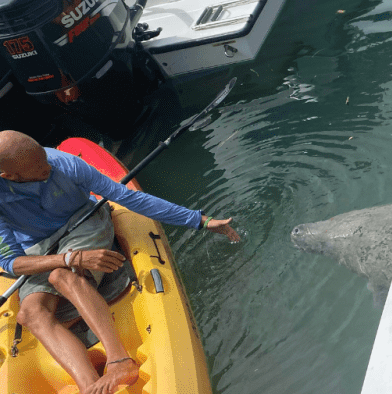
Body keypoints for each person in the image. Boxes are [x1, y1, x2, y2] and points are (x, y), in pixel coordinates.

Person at [0, 130, 240, 394]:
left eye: (44, 158)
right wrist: (69, 257)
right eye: (38, 167)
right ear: (9, 176)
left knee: (62, 276)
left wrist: (200, 220)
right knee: (30, 313)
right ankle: (89, 386)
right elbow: (11, 262)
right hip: (38, 246)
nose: (48, 166)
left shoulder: (64, 163)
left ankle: (120, 360)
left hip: (84, 222)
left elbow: (127, 197)